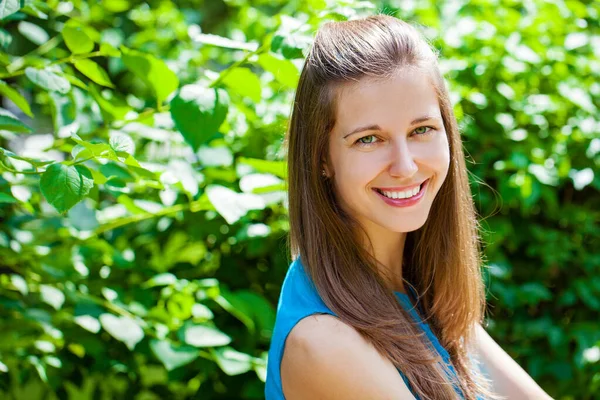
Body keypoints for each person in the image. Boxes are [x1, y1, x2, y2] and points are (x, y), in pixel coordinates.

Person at [264, 14, 553, 400]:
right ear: (322, 158)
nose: (405, 166)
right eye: (369, 139)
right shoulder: (324, 340)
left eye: (421, 130)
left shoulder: (420, 291)